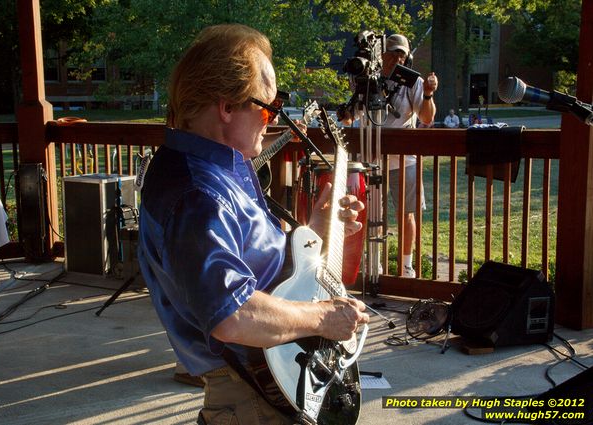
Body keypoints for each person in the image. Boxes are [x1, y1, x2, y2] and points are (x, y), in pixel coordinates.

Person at [137, 24, 369, 424]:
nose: (273, 118)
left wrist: (315, 229)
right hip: (250, 397)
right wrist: (325, 319)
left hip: (266, 377)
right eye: (268, 106)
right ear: (226, 107)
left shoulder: (218, 167)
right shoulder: (199, 195)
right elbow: (232, 314)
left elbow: (258, 261)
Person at [381, 33, 438, 278]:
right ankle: (376, 263)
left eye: (401, 54)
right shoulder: (369, 80)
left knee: (406, 214)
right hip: (370, 160)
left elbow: (426, 118)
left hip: (405, 161)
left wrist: (427, 94)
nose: (397, 58)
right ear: (381, 54)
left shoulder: (413, 82)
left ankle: (406, 266)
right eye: (392, 52)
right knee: (371, 214)